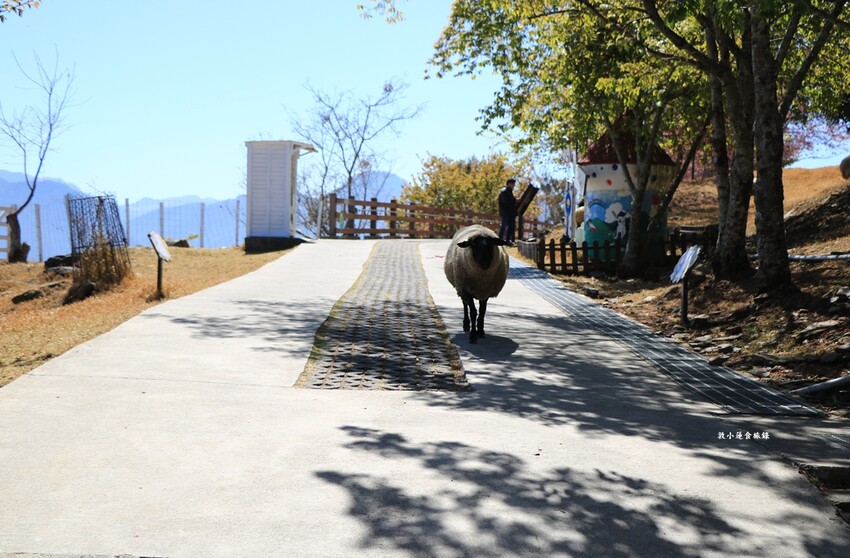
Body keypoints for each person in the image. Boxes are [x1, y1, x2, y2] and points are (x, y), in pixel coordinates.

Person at [498, 178, 518, 243]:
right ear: (509, 184)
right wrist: (514, 200)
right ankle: (499, 240)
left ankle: (507, 241)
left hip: (510, 213)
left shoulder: (509, 192)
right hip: (505, 212)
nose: (514, 185)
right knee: (504, 226)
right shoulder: (504, 191)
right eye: (513, 184)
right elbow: (506, 201)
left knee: (510, 227)